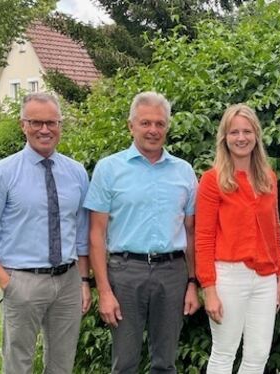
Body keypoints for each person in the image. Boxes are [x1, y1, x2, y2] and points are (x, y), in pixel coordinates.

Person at [0, 92, 91, 373]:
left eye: (52, 122)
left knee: (62, 364)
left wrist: (83, 281)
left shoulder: (76, 173)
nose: (44, 129)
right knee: (18, 363)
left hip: (69, 281)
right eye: (36, 122)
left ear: (60, 125)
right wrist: (8, 284)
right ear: (23, 124)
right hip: (22, 281)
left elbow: (82, 232)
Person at [84, 91, 201, 373]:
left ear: (167, 127)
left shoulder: (184, 171)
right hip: (126, 272)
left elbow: (192, 233)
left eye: (160, 124)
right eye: (145, 123)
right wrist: (104, 290)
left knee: (165, 362)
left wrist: (192, 282)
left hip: (172, 274)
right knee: (124, 363)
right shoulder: (109, 169)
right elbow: (96, 235)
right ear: (131, 125)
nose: (153, 130)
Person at [195, 103, 280, 373]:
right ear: (224, 137)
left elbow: (274, 230)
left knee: (258, 355)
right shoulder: (212, 180)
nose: (241, 137)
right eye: (234, 132)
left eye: (247, 131)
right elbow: (203, 238)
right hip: (228, 276)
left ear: (256, 135)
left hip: (265, 279)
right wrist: (208, 289)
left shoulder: (268, 178)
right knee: (224, 353)